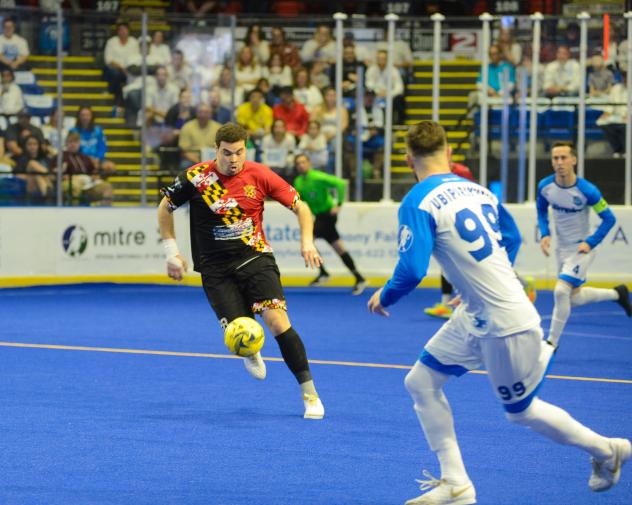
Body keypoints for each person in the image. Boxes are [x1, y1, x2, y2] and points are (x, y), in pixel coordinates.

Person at [368, 121, 631, 504]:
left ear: (409, 160)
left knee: (521, 412)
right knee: (420, 382)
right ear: (451, 155)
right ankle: (456, 484)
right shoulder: (479, 192)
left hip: (505, 322)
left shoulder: (417, 201)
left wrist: (384, 297)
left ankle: (609, 451)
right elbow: (511, 238)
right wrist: (480, 283)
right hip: (480, 313)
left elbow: (411, 270)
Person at [157, 123, 325, 419]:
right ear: (216, 150)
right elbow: (164, 208)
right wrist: (172, 252)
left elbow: (302, 208)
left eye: (239, 153)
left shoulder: (260, 174)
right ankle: (250, 348)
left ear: (246, 149)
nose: (233, 159)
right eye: (226, 153)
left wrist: (307, 242)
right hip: (215, 270)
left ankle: (309, 394)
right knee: (240, 333)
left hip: (255, 257)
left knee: (277, 321)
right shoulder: (197, 177)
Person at [537, 141, 631, 349]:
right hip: (561, 250)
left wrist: (590, 242)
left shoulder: (588, 191)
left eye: (563, 158)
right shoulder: (545, 187)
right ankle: (618, 294)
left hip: (581, 249)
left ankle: (551, 343)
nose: (559, 163)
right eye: (555, 158)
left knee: (561, 291)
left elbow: (609, 219)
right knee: (574, 299)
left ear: (573, 160)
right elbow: (542, 211)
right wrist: (545, 234)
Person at [424, 162, 537, 319]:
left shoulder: (466, 185)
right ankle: (446, 304)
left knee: (493, 271)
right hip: (481, 233)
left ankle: (522, 287)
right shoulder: (442, 181)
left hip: (495, 235)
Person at [293, 153, 366, 295]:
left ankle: (324, 273)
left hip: (327, 215)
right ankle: (358, 277)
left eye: (303, 162)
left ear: (309, 163)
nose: (301, 165)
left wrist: (338, 204)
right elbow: (300, 199)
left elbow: (340, 184)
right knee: (338, 247)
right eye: (298, 163)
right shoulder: (298, 182)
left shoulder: (318, 177)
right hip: (318, 216)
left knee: (308, 241)